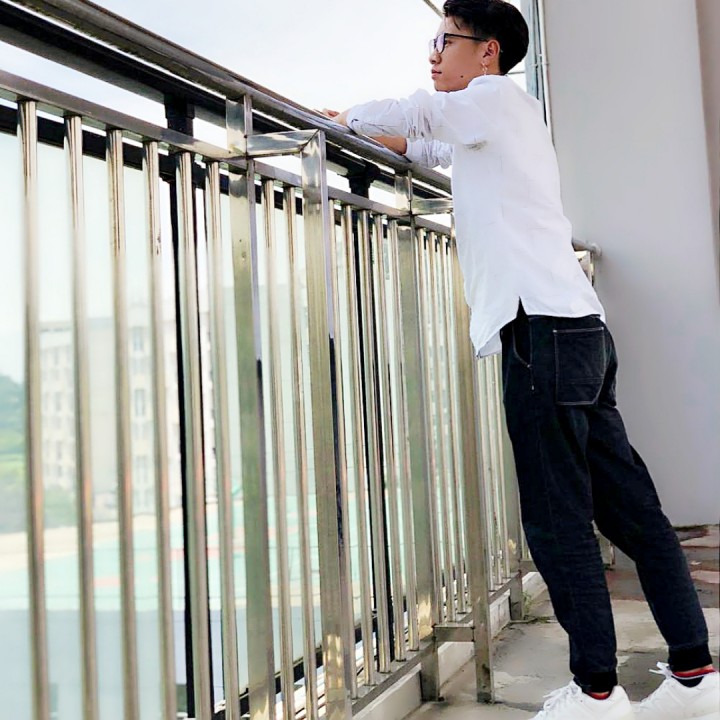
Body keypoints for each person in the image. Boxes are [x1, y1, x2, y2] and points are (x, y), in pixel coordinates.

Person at [322, 1, 718, 718]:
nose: (433, 53)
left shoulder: (493, 99)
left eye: (446, 39)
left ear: (489, 52)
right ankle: (695, 676)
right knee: (633, 512)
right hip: (578, 330)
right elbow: (424, 145)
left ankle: (596, 693)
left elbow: (413, 114)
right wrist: (368, 130)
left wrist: (346, 114)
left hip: (542, 334)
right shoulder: (498, 119)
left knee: (558, 520)